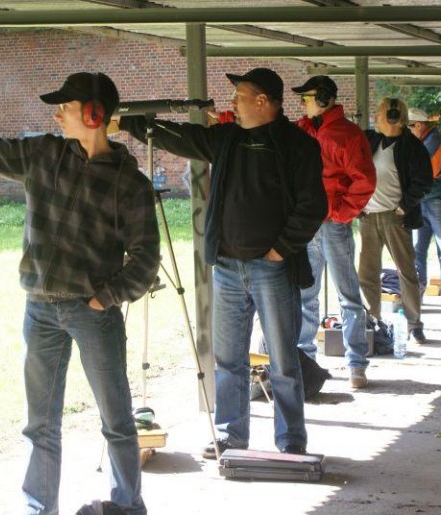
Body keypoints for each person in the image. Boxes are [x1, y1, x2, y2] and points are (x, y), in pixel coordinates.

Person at [0, 72, 160, 515]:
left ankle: (128, 507)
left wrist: (104, 298)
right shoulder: (43, 153)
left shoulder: (129, 184)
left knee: (117, 421)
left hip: (93, 314)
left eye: (66, 106)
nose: (56, 113)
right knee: (40, 425)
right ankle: (39, 509)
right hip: (39, 308)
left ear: (94, 114)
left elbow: (146, 260)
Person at [118, 67, 327, 458]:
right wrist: (129, 123)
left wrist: (280, 249)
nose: (232, 102)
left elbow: (313, 205)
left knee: (283, 361)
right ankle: (232, 435)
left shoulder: (298, 145)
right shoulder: (228, 138)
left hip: (273, 269)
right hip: (228, 268)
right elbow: (184, 137)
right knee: (228, 361)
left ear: (262, 101)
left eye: (240, 96)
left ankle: (291, 441)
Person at [290, 75, 376, 389]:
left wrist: (339, 213)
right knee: (305, 297)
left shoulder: (347, 135)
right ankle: (305, 363)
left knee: (348, 296)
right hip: (310, 223)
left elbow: (364, 181)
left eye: (306, 98)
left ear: (323, 99)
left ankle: (356, 365)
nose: (303, 103)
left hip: (332, 225)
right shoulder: (305, 129)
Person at [360, 98, 432, 344]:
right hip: (369, 216)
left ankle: (414, 323)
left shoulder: (411, 147)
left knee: (406, 271)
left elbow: (424, 181)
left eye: (379, 114)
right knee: (367, 273)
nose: (376, 119)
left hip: (394, 217)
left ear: (391, 118)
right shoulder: (372, 140)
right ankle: (372, 319)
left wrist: (403, 207)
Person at [408, 108, 441, 309]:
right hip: (423, 200)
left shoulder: (436, 141)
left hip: (440, 200)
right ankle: (418, 295)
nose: (406, 131)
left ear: (419, 125)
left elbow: (426, 171)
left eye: (409, 126)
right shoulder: (422, 142)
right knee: (417, 250)